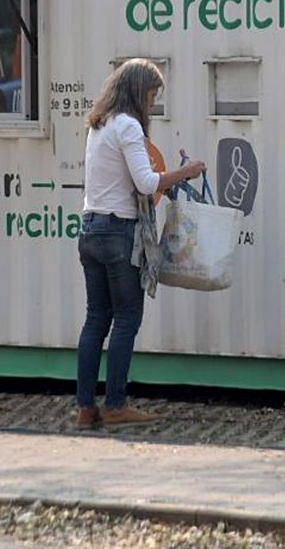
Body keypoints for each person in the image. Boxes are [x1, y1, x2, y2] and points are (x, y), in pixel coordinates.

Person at [77, 59, 204, 429]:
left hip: (90, 228)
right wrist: (186, 172)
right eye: (151, 95)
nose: (152, 103)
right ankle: (115, 404)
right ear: (138, 92)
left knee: (95, 319)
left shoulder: (98, 125)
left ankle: (86, 407)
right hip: (119, 233)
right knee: (127, 318)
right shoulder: (128, 126)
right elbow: (147, 183)